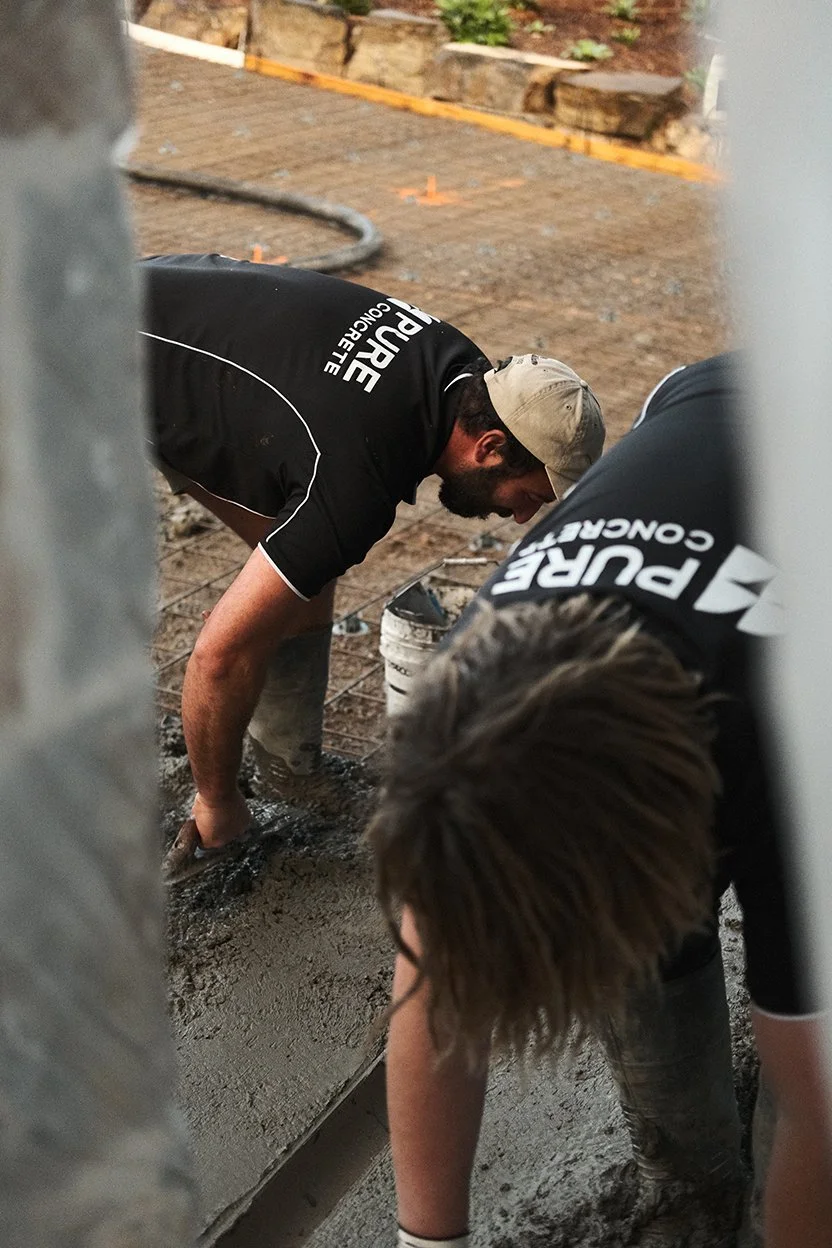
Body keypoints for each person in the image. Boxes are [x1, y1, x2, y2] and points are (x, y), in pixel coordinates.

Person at [367, 353, 832, 1248]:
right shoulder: (466, 710)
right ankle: (691, 1176)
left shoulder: (792, 752)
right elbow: (432, 976)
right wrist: (427, 1243)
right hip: (710, 401)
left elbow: (816, 1097)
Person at [139, 254, 604, 873]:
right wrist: (216, 803)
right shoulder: (360, 476)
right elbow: (216, 658)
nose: (521, 518)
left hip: (162, 314)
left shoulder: (458, 368)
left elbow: (307, 550)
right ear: (491, 447)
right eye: (528, 498)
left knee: (299, 565)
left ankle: (286, 764)